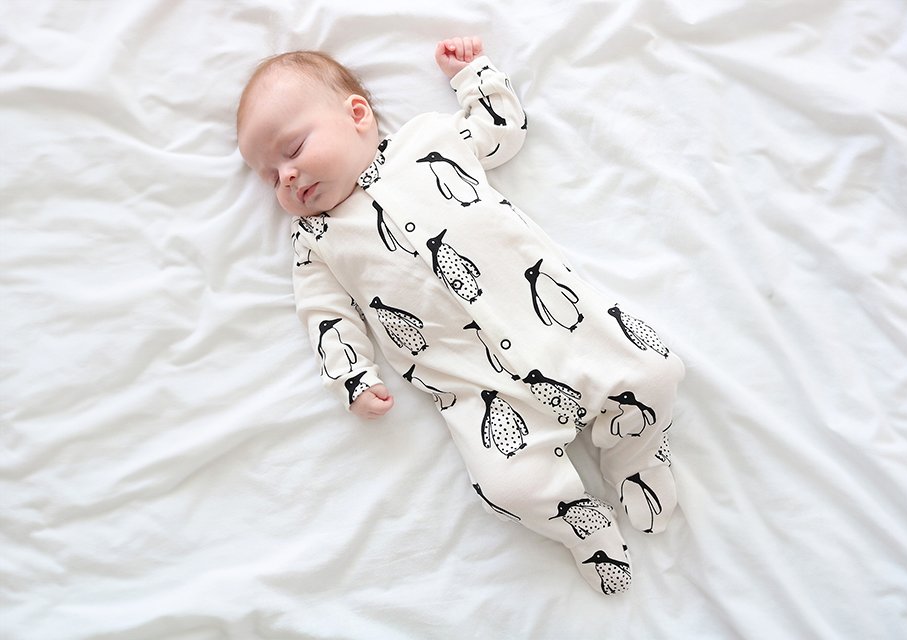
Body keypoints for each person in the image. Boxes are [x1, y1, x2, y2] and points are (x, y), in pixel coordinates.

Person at [236, 36, 685, 595]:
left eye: (293, 148)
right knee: (506, 486)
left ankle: (634, 454)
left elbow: (500, 131)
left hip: (566, 329)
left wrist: (475, 75)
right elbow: (325, 316)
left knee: (657, 371)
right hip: (478, 387)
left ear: (356, 116)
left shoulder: (430, 141)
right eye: (266, 175)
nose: (285, 177)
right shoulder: (315, 242)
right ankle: (582, 527)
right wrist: (353, 376)